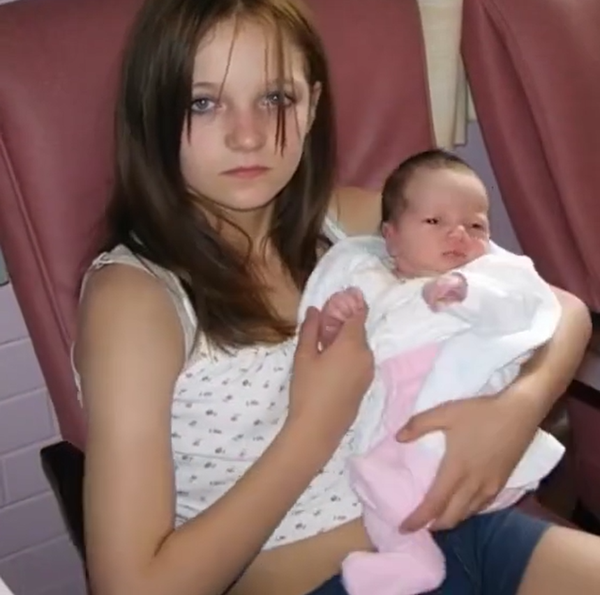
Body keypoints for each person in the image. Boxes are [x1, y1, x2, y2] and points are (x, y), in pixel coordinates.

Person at [73, 0, 600, 594]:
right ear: (153, 112)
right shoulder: (135, 299)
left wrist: (515, 411)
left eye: (276, 98)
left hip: (468, 534)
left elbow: (560, 310)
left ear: (313, 105)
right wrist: (316, 424)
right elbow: (131, 587)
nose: (247, 135)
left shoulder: (346, 223)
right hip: (327, 580)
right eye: (203, 102)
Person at [305, 150, 566, 595]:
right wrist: (336, 320)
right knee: (373, 481)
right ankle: (409, 558)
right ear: (391, 237)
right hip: (391, 423)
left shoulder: (489, 275)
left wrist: (469, 293)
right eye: (434, 222)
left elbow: (526, 308)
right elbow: (337, 349)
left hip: (459, 408)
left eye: (476, 226)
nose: (458, 233)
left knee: (405, 479)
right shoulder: (369, 278)